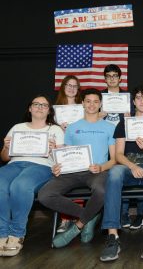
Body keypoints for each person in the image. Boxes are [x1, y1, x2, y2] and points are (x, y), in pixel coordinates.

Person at [38, 88, 116, 248]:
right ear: (82, 103)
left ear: (100, 104)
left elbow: (115, 159)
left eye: (95, 101)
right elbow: (65, 154)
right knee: (44, 195)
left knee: (101, 191)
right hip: (71, 172)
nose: (92, 105)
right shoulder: (72, 127)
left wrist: (101, 167)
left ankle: (78, 226)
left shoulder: (110, 127)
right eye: (88, 101)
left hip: (96, 172)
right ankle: (89, 216)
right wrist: (57, 166)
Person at [100, 85, 143, 261]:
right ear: (134, 101)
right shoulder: (124, 123)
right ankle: (112, 235)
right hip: (128, 166)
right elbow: (118, 155)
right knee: (114, 173)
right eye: (138, 98)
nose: (142, 101)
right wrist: (132, 166)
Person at [0, 95, 64, 256]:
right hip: (14, 164)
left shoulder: (55, 130)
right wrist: (7, 147)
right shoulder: (17, 127)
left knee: (20, 185)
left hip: (41, 166)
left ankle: (16, 234)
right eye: (36, 104)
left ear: (49, 111)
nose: (40, 107)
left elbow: (61, 159)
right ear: (30, 108)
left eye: (44, 105)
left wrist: (54, 149)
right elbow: (4, 157)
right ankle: (2, 233)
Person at [99, 64, 133, 228]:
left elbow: (137, 120)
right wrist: (98, 115)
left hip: (122, 141)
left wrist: (129, 116)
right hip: (104, 141)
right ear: (105, 79)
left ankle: (124, 213)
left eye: (115, 76)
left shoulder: (127, 97)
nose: (112, 78)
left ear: (120, 78)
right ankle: (107, 212)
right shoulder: (98, 98)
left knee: (121, 175)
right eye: (108, 76)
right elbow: (90, 119)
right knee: (107, 178)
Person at [54, 75, 84, 234]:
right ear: (63, 87)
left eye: (75, 86)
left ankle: (80, 218)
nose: (72, 88)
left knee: (80, 182)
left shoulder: (84, 107)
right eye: (68, 85)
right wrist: (60, 128)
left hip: (80, 148)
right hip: (62, 148)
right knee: (64, 182)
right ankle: (65, 219)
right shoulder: (55, 109)